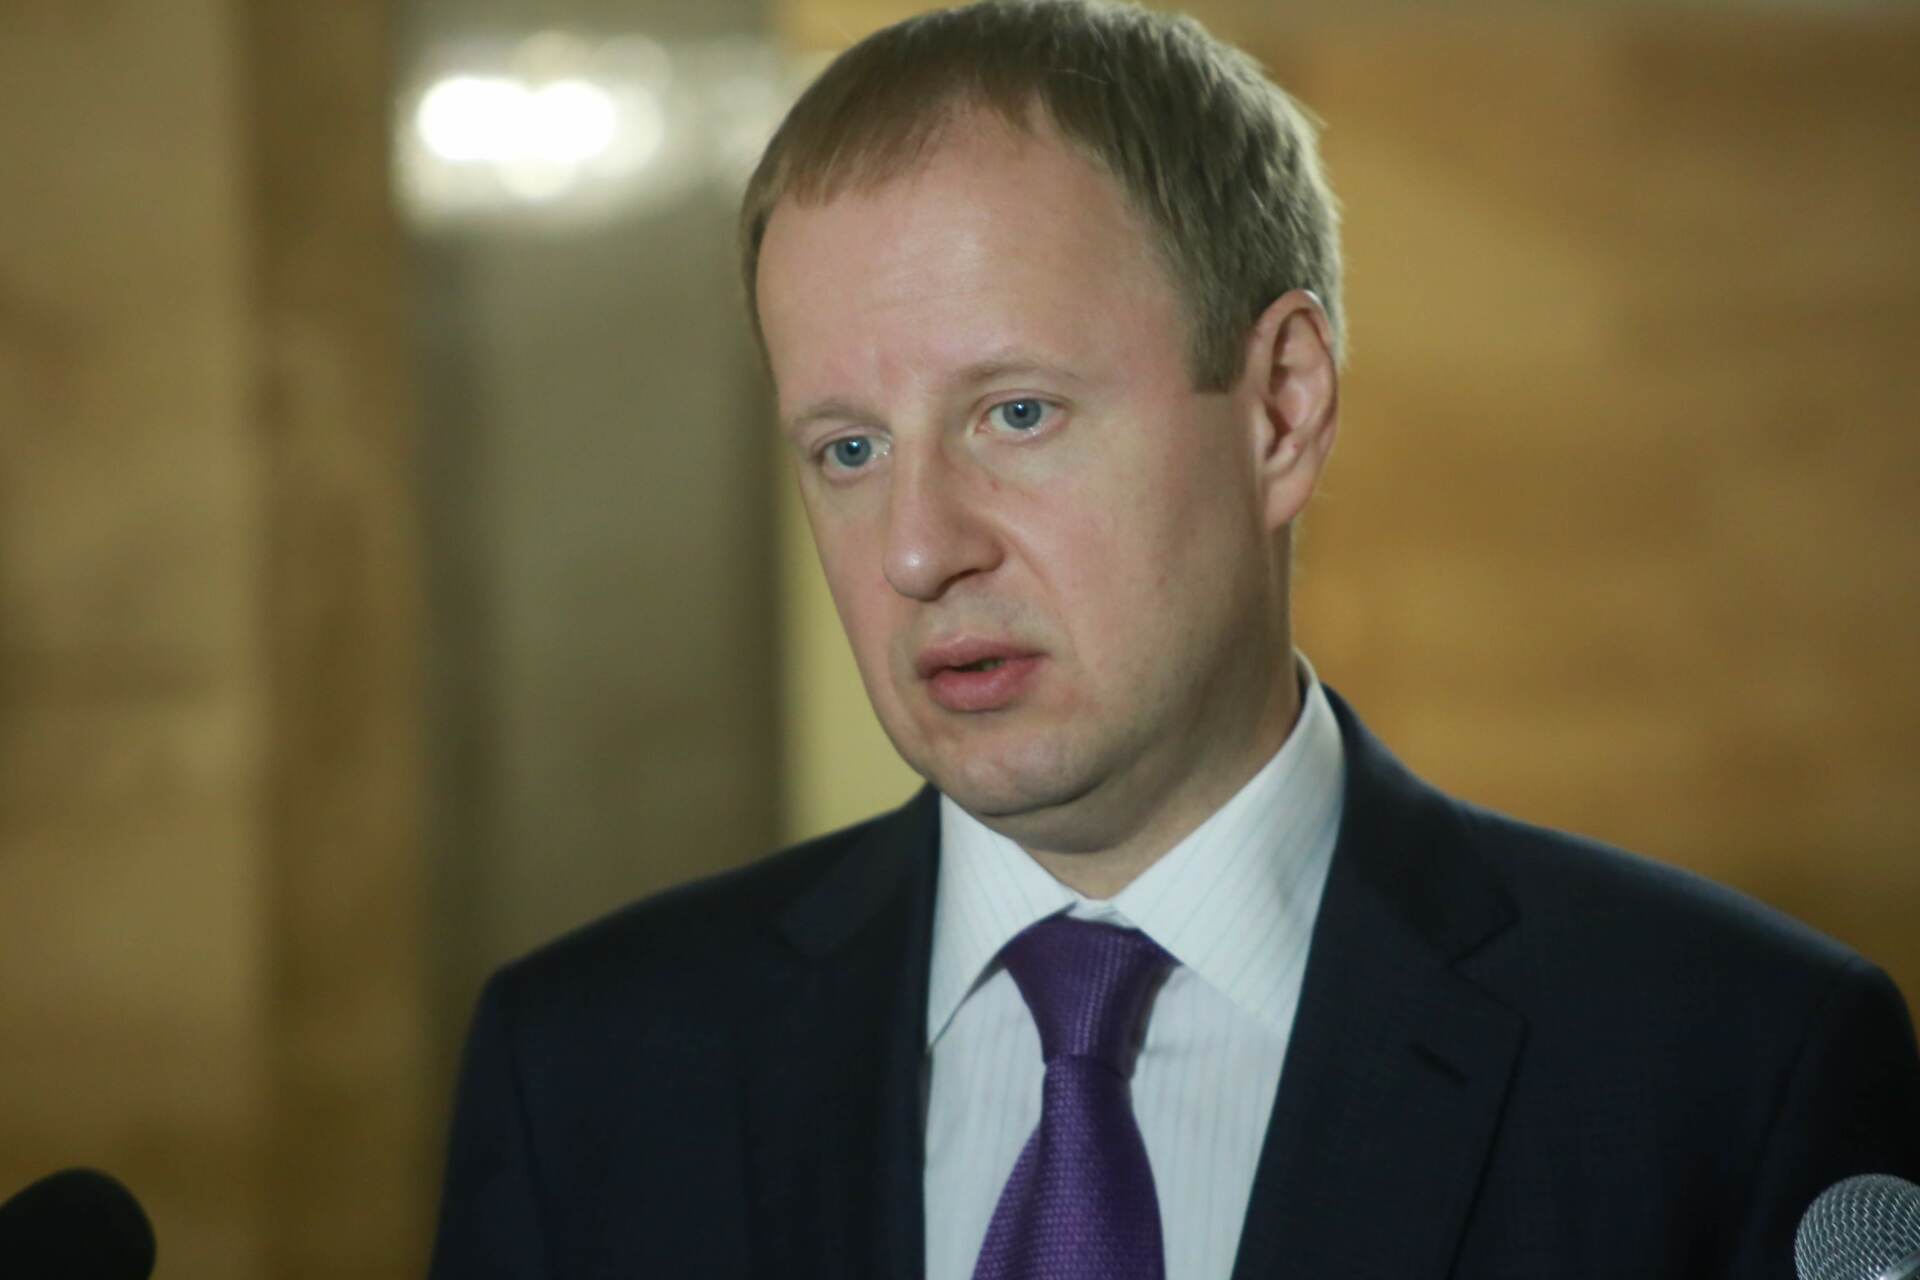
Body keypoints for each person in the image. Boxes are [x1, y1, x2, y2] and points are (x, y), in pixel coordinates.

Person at [427, 3, 1920, 1277]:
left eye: (1017, 413)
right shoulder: (586, 1071)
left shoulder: (1734, 1067)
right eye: (848, 449)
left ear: (1280, 408)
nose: (918, 549)